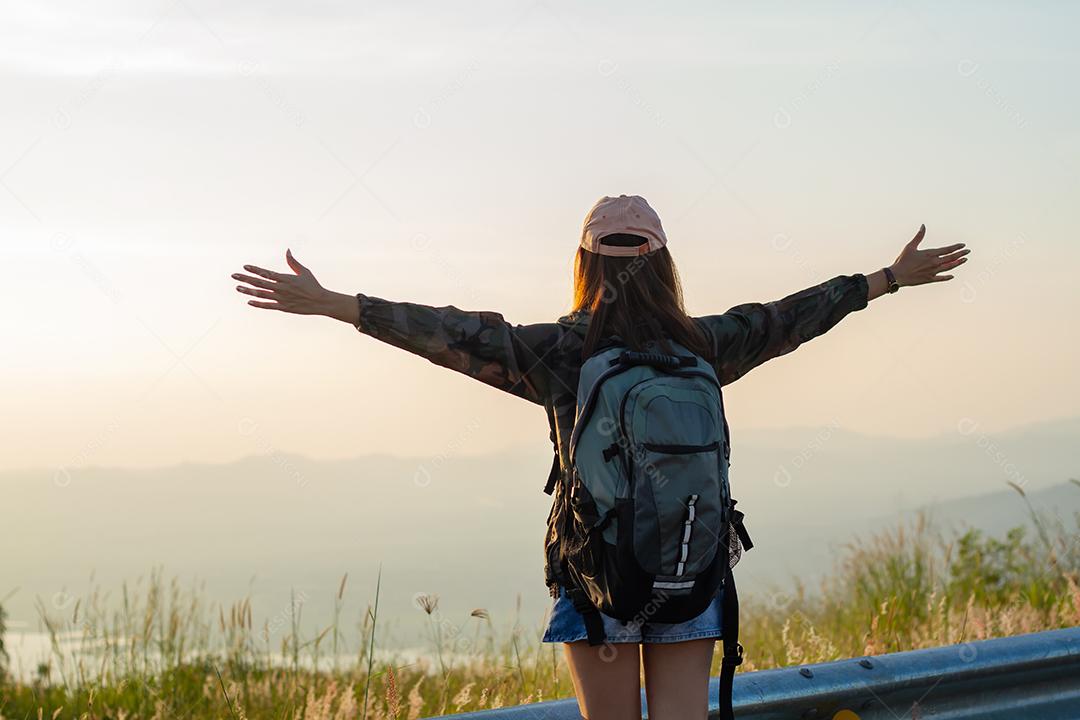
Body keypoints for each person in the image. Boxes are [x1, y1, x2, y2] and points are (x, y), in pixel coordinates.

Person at [232, 195, 970, 719]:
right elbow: (791, 317)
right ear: (665, 264)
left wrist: (339, 304)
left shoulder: (561, 351)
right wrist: (886, 279)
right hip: (690, 565)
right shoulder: (703, 344)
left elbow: (453, 334)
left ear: (583, 262)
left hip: (596, 574)